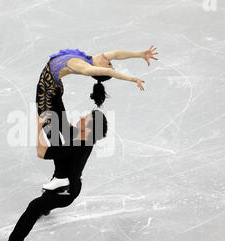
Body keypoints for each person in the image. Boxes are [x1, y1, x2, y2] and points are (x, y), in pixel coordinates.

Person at [37, 47, 158, 191]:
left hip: (45, 95)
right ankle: (66, 172)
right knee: (62, 126)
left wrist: (132, 79)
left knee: (53, 135)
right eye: (110, 62)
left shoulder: (86, 68)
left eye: (109, 64)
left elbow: (108, 71)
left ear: (99, 70)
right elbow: (116, 53)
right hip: (55, 90)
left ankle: (60, 178)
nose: (109, 61)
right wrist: (139, 54)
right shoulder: (92, 59)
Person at [3, 110, 109, 241]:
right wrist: (50, 116)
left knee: (35, 206)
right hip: (63, 179)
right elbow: (66, 126)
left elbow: (41, 151)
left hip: (65, 193)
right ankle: (46, 206)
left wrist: (40, 126)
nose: (81, 117)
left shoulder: (75, 146)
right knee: (54, 137)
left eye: (85, 119)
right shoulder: (85, 137)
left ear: (89, 129)